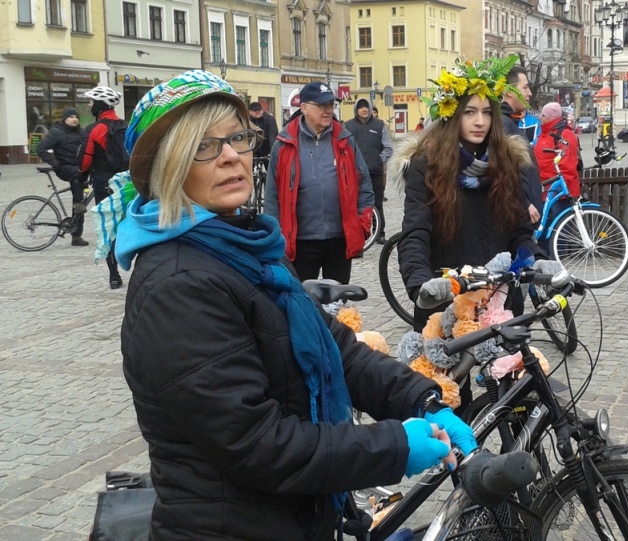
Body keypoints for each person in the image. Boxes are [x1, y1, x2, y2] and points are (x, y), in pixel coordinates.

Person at [107, 69, 475, 540]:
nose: (229, 157)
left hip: (297, 516)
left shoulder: (247, 246)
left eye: (237, 139)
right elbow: (255, 444)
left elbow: (334, 345)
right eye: (204, 145)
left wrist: (419, 400)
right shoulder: (178, 284)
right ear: (169, 166)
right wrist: (393, 447)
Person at [390, 56, 562, 332]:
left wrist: (538, 259)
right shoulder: (427, 166)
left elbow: (519, 231)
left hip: (499, 303)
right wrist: (421, 284)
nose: (480, 121)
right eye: (469, 112)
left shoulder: (506, 162)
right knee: (444, 375)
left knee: (510, 372)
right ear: (453, 115)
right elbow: (415, 233)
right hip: (448, 302)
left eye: (486, 112)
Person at [264, 82, 375, 284]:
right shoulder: (284, 144)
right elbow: (272, 196)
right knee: (304, 303)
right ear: (304, 107)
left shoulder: (344, 139)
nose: (328, 110)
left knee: (340, 303)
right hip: (301, 242)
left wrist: (362, 224)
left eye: (331, 105)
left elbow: (364, 184)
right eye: (322, 105)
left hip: (340, 239)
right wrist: (277, 236)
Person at [79, 86, 128, 289]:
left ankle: (114, 275)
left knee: (108, 227)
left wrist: (79, 178)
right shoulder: (127, 126)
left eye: (91, 102)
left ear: (99, 105)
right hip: (126, 181)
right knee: (128, 221)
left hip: (103, 183)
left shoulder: (94, 129)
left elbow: (84, 163)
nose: (89, 106)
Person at [37, 107, 88, 246]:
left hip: (78, 169)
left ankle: (76, 236)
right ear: (65, 119)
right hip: (64, 168)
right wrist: (55, 163)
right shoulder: (56, 132)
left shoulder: (82, 132)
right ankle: (78, 204)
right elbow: (40, 148)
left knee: (81, 197)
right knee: (79, 200)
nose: (74, 119)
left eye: (76, 117)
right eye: (71, 117)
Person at [344, 98, 392, 244]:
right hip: (354, 173)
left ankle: (380, 233)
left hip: (375, 172)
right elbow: (343, 147)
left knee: (377, 203)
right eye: (361, 107)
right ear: (356, 109)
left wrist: (379, 159)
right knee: (354, 203)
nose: (364, 110)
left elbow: (388, 147)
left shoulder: (379, 125)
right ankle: (356, 232)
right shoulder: (348, 126)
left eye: (366, 107)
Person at [501, 65, 543, 224]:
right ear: (509, 91)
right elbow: (504, 172)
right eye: (525, 88)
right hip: (518, 216)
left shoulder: (510, 121)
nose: (529, 93)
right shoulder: (504, 124)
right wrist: (525, 203)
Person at [534, 102, 581, 228]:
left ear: (550, 117)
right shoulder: (543, 133)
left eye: (543, 115)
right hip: (545, 191)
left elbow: (568, 166)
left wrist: (557, 190)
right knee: (545, 230)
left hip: (559, 195)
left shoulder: (565, 135)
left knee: (559, 232)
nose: (540, 118)